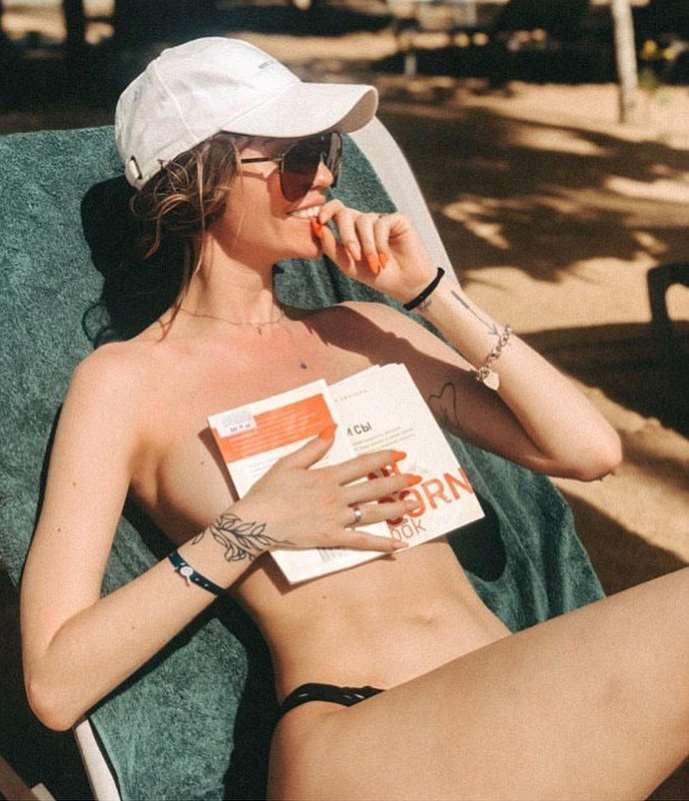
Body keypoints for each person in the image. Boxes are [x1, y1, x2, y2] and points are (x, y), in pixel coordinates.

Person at [19, 37, 689, 801]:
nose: (325, 177)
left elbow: (587, 450)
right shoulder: (124, 383)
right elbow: (54, 682)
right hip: (363, 732)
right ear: (199, 179)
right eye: (297, 158)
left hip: (506, 703)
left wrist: (431, 292)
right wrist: (250, 527)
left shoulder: (366, 330)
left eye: (327, 151)